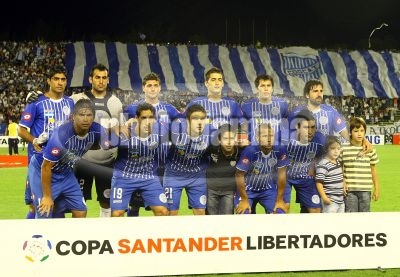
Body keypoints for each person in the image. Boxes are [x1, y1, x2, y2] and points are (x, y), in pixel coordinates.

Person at [30, 99, 109, 218]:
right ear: (73, 116)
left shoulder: (98, 130)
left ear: (93, 117)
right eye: (81, 115)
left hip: (65, 171)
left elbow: (106, 143)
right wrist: (47, 196)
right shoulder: (61, 135)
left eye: (89, 115)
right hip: (42, 169)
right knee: (44, 212)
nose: (86, 119)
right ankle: (36, 236)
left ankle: (72, 236)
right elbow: (46, 167)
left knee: (80, 211)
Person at [18, 65, 74, 219]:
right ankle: (32, 241)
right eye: (56, 79)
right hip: (38, 162)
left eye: (63, 79)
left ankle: (55, 241)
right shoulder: (36, 102)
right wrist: (34, 140)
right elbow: (21, 130)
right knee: (37, 207)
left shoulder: (70, 103)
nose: (60, 82)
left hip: (61, 164)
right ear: (49, 81)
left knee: (59, 208)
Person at [123, 72, 181, 216]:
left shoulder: (170, 109)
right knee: (135, 206)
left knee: (162, 207)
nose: (152, 89)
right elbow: (123, 131)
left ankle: (159, 236)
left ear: (160, 88)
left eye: (155, 85)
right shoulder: (131, 109)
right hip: (139, 165)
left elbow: (180, 128)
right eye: (149, 85)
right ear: (143, 88)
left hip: (163, 165)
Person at [70, 63, 123, 218]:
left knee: (106, 202)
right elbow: (58, 104)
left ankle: (103, 234)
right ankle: (78, 237)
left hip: (106, 162)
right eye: (97, 77)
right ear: (90, 79)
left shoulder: (115, 102)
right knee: (78, 204)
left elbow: (119, 131)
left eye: (104, 78)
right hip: (82, 161)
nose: (101, 81)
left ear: (108, 80)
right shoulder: (77, 99)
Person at [241, 74, 289, 213]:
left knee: (279, 204)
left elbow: (287, 124)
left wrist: (283, 142)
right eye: (262, 85)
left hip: (275, 156)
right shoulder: (247, 105)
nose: (266, 88)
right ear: (257, 88)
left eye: (268, 85)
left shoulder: (282, 105)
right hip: (253, 156)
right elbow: (242, 125)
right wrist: (245, 138)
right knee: (249, 207)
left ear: (273, 88)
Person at [110, 102, 169, 217]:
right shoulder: (125, 133)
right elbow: (103, 141)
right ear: (136, 118)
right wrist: (114, 128)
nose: (147, 122)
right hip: (124, 177)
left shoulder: (161, 132)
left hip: (149, 178)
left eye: (151, 117)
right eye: (143, 118)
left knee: (163, 212)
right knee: (117, 214)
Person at [164, 104, 212, 216]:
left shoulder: (211, 132)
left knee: (200, 212)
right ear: (187, 120)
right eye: (195, 119)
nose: (199, 122)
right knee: (171, 213)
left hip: (197, 176)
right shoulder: (175, 130)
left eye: (202, 119)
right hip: (174, 175)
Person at [235, 123, 289, 214]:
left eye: (271, 136)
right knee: (244, 214)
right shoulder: (250, 151)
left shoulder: (280, 149)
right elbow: (239, 174)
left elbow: (282, 174)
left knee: (280, 213)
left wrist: (279, 200)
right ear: (257, 138)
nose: (268, 139)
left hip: (267, 189)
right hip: (248, 190)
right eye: (265, 136)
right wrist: (244, 200)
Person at [285, 109, 326, 213]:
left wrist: (313, 164)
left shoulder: (320, 139)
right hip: (285, 177)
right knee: (283, 207)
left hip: (306, 178)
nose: (310, 131)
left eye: (313, 127)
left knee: (316, 210)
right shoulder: (285, 139)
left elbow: (328, 152)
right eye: (306, 127)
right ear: (297, 127)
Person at [185, 67, 244, 136]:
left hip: (225, 144)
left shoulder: (233, 104)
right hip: (202, 144)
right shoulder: (195, 103)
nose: (217, 83)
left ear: (223, 84)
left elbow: (242, 123)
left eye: (220, 80)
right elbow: (184, 122)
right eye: (213, 80)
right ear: (206, 83)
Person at [340, 117, 380, 212]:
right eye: (356, 131)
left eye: (362, 131)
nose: (359, 133)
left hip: (365, 190)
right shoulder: (343, 148)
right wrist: (343, 182)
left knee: (365, 218)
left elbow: (373, 171)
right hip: (350, 191)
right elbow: (339, 167)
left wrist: (376, 188)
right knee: (351, 218)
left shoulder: (370, 149)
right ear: (350, 132)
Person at [206, 123, 242, 215]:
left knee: (227, 221)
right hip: (211, 190)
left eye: (231, 139)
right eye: (225, 139)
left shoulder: (240, 151)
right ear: (219, 140)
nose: (229, 142)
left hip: (229, 192)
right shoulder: (212, 148)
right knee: (211, 220)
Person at [315, 136, 345, 213]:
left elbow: (340, 177)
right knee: (329, 223)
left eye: (338, 149)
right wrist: (324, 197)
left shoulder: (337, 162)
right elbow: (319, 183)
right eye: (333, 148)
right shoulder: (323, 164)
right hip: (331, 201)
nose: (336, 151)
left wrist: (344, 185)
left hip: (341, 201)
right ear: (326, 149)